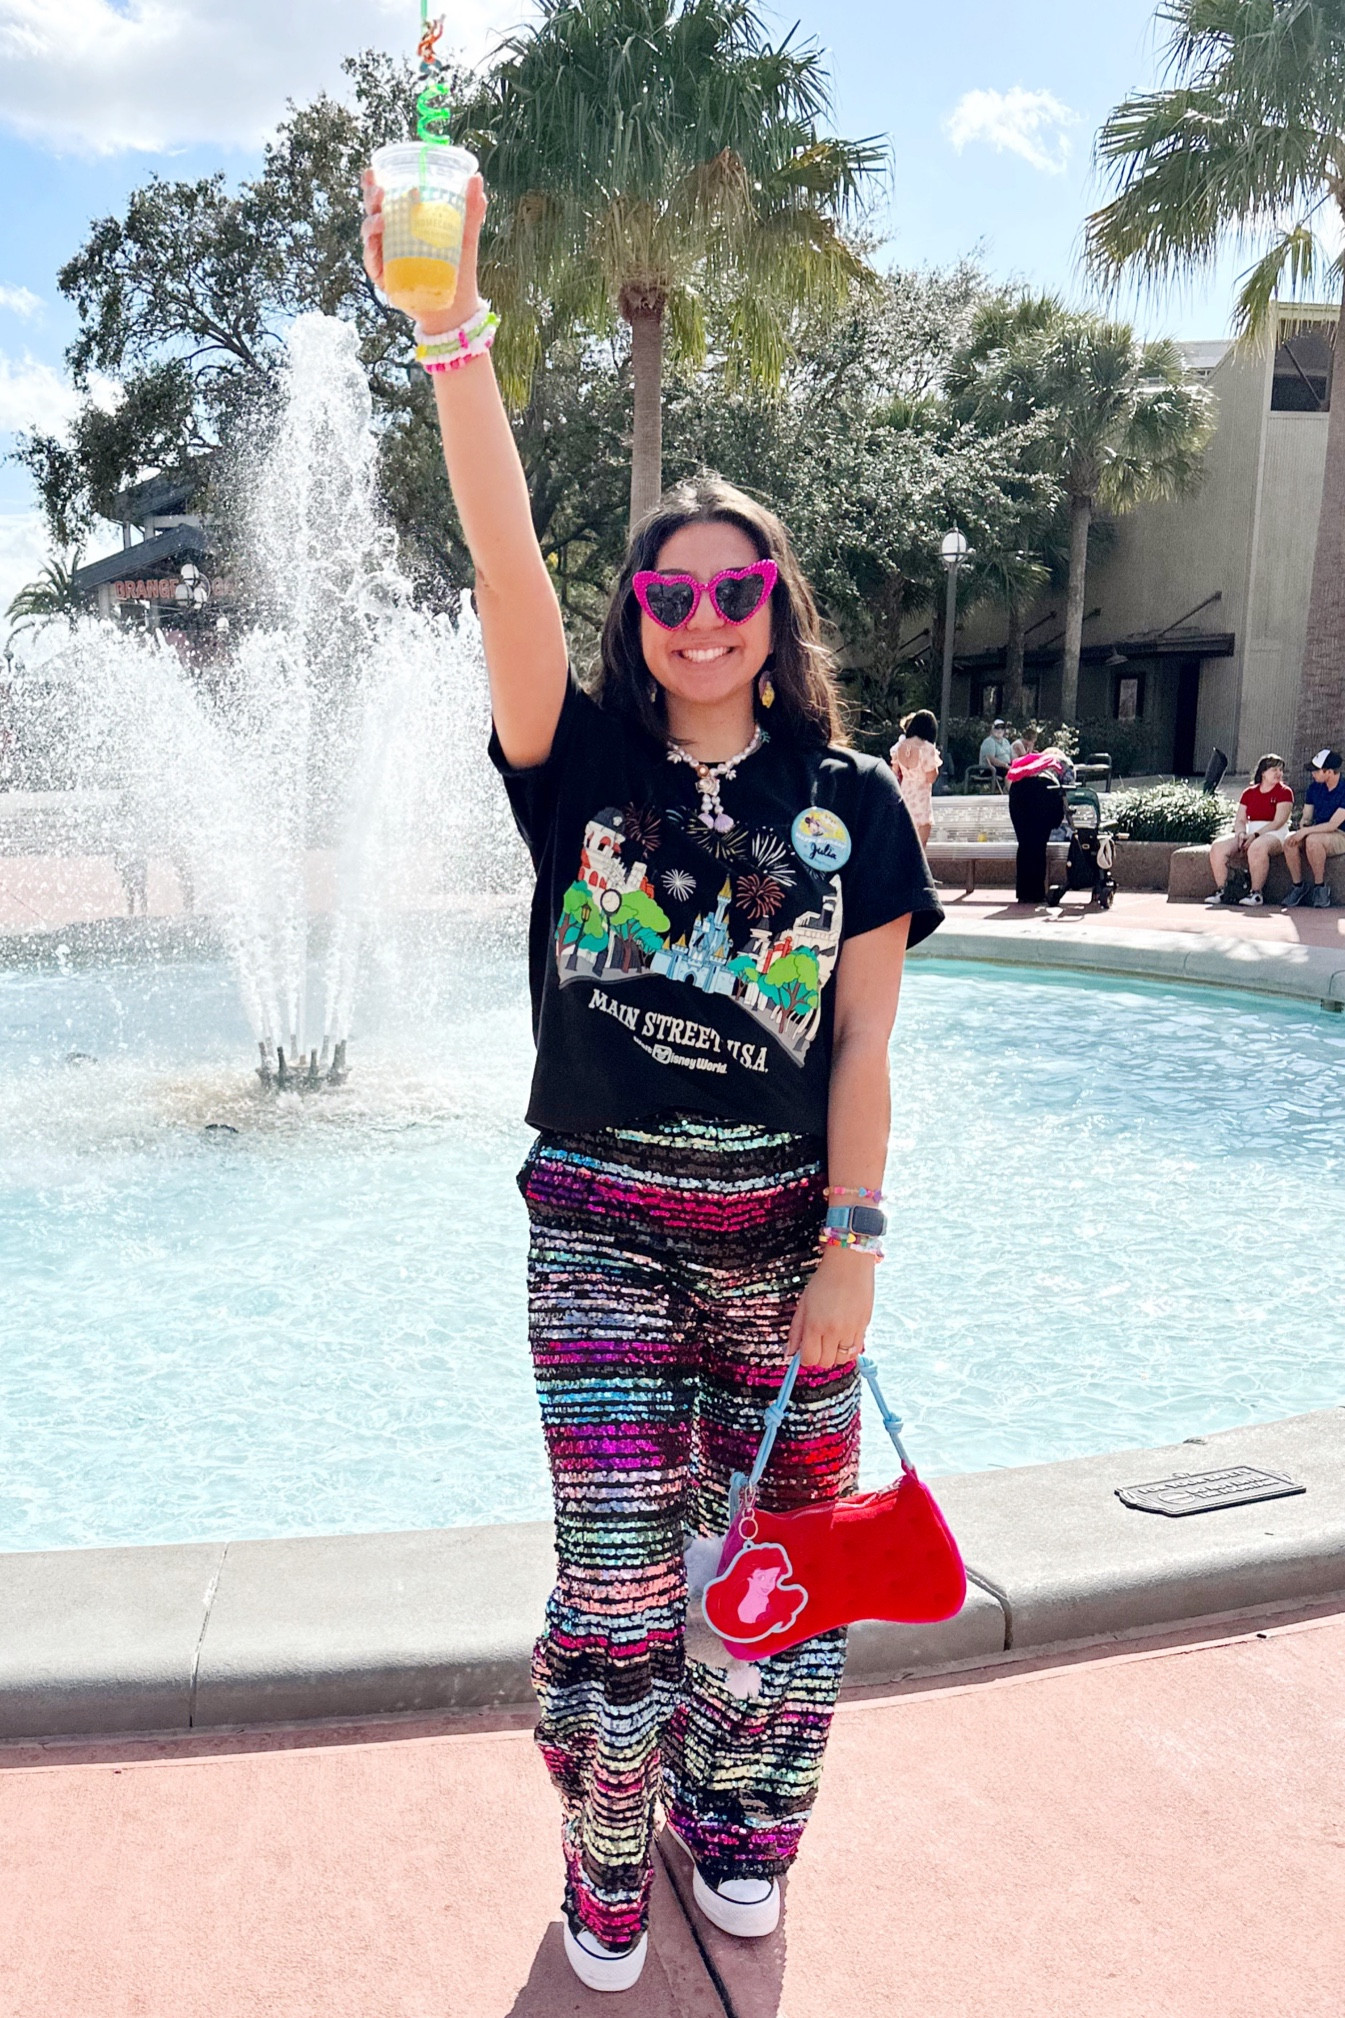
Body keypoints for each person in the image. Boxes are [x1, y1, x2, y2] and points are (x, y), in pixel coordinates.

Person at [362, 170, 943, 1994]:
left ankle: (741, 1828)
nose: (701, 614)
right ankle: (608, 1857)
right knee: (622, 1584)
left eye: (735, 586)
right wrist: (451, 337)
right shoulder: (578, 758)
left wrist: (854, 1236)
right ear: (642, 611)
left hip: (788, 1245)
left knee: (776, 1572)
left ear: (777, 605)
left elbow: (863, 1040)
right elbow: (503, 558)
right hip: (600, 1229)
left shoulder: (851, 810)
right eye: (671, 590)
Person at [1204, 754, 1293, 907]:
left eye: (1280, 770)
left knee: (1257, 847)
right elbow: (1240, 819)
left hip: (1274, 833)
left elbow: (1279, 821)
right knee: (1218, 847)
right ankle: (1222, 890)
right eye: (1274, 769)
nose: (1279, 773)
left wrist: (1255, 836)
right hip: (1250, 831)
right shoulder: (1249, 793)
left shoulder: (1285, 792)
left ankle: (1256, 893)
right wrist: (1241, 834)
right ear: (1263, 772)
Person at [1281, 749, 1345, 909]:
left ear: (1329, 772)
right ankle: (1298, 886)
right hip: (1316, 831)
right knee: (1290, 841)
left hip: (1340, 834)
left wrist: (1306, 832)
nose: (1313, 774)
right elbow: (1307, 817)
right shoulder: (1314, 788)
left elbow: (1332, 825)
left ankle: (1320, 887)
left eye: (1316, 771)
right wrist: (1303, 827)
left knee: (1313, 841)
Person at [1006, 744, 1068, 904]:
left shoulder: (1032, 762)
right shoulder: (1059, 763)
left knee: (1025, 844)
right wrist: (1056, 819)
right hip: (1044, 789)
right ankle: (1036, 893)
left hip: (1018, 791)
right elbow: (1063, 795)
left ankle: (1023, 893)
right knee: (1038, 846)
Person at [889, 708, 941, 846]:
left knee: (904, 843)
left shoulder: (900, 746)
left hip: (905, 793)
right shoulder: (927, 748)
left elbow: (894, 769)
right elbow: (931, 777)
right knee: (920, 846)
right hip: (921, 797)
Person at [978, 718, 1012, 789]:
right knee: (1010, 772)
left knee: (1021, 771)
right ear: (992, 729)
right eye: (997, 728)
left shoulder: (1006, 741)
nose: (999, 730)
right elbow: (991, 759)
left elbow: (1011, 757)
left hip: (1005, 767)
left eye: (1002, 728)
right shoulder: (989, 741)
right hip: (989, 769)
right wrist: (1005, 765)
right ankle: (1010, 794)